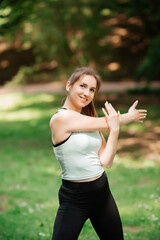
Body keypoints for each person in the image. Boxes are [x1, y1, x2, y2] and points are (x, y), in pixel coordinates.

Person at [49, 67, 147, 240]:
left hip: (101, 193)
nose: (87, 93)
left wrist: (115, 131)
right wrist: (128, 117)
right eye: (82, 86)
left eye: (92, 90)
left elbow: (106, 161)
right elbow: (107, 121)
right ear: (68, 86)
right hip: (74, 198)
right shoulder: (60, 119)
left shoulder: (90, 122)